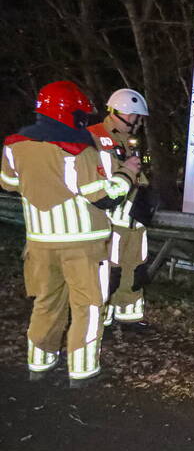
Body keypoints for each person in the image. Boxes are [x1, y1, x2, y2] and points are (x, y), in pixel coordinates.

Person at [1, 81, 139, 386]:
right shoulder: (77, 150)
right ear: (69, 114)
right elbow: (104, 196)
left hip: (39, 242)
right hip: (82, 245)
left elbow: (8, 183)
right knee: (88, 306)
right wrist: (127, 172)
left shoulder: (14, 144)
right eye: (80, 115)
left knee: (46, 302)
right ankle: (83, 371)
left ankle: (39, 363)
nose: (83, 121)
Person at [88, 88, 151, 330]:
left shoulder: (128, 139)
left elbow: (137, 176)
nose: (138, 122)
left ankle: (129, 317)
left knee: (134, 268)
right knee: (108, 272)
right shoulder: (92, 137)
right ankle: (101, 320)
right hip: (109, 218)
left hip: (133, 217)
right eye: (136, 117)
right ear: (123, 112)